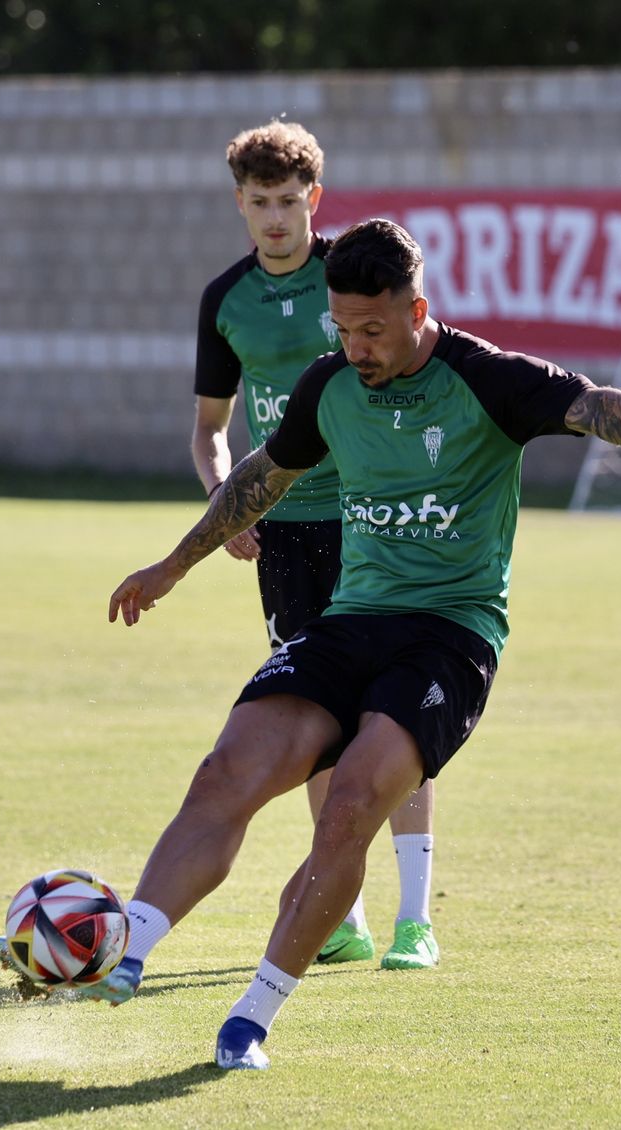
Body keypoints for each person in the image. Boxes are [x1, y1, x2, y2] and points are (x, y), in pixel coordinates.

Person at [95, 218, 621, 1071]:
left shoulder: (488, 378)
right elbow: (261, 477)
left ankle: (251, 1016)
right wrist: (175, 564)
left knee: (353, 804)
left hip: (449, 636)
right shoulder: (327, 384)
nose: (356, 346)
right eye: (343, 328)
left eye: (374, 328)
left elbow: (596, 406)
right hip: (349, 621)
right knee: (228, 771)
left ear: (418, 310)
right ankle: (127, 949)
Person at [190, 120, 440, 970]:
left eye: (289, 202)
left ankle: (418, 919)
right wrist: (228, 500)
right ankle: (349, 914)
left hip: (374, 517)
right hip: (287, 534)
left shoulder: (354, 277)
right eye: (258, 202)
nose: (274, 218)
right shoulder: (224, 301)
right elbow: (208, 432)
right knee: (316, 723)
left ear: (314, 201)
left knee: (399, 713)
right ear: (240, 204)